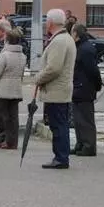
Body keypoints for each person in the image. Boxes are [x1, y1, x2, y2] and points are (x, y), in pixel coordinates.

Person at [34, 9, 77, 169]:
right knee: (59, 124)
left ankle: (61, 157)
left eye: (47, 21)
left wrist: (38, 78)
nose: (46, 23)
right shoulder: (65, 39)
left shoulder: (59, 41)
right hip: (60, 90)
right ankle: (60, 156)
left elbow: (54, 68)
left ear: (50, 23)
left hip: (56, 91)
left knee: (58, 125)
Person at [70, 23, 102, 157]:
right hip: (78, 87)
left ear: (76, 34)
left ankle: (89, 146)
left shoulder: (86, 49)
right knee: (78, 119)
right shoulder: (79, 47)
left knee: (86, 119)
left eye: (72, 33)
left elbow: (92, 70)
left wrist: (97, 84)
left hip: (85, 87)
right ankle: (81, 144)